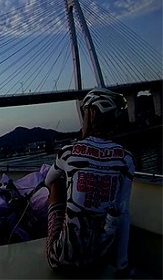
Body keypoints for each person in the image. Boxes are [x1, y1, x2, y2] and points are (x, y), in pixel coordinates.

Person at [45, 88, 135, 277]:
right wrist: (121, 264)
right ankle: (119, 261)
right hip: (99, 262)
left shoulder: (69, 153)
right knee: (118, 209)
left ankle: (60, 240)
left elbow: (49, 180)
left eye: (84, 113)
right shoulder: (125, 159)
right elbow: (124, 213)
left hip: (61, 261)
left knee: (57, 184)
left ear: (91, 114)